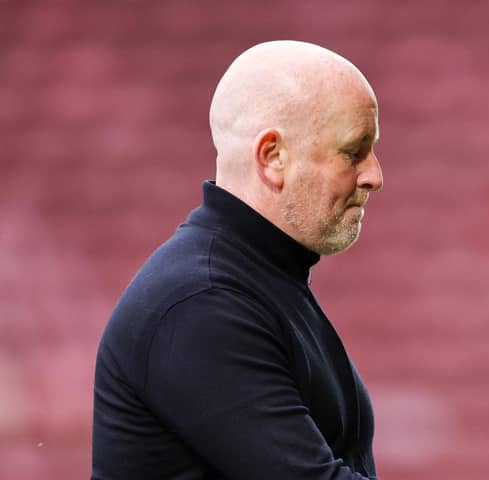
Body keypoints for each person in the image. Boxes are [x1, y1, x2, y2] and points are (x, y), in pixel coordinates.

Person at [91, 40, 384, 480]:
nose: (375, 176)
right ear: (273, 157)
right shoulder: (202, 304)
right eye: (353, 151)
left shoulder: (256, 277)